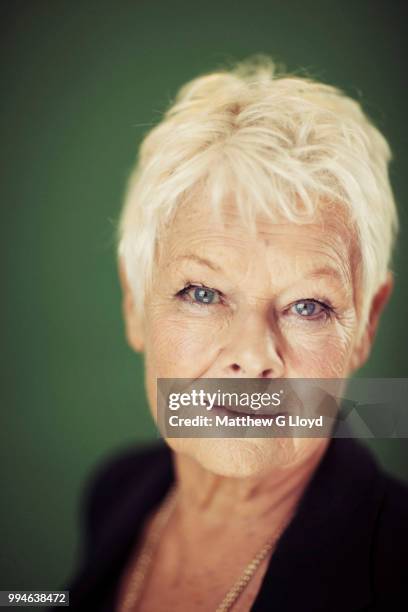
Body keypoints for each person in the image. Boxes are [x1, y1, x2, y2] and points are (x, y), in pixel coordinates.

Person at [63, 55, 408, 611]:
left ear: (366, 323)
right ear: (134, 302)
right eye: (203, 294)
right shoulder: (116, 492)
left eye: (307, 305)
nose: (252, 358)